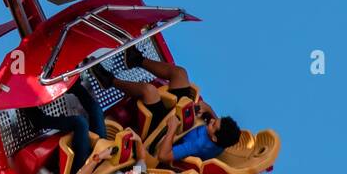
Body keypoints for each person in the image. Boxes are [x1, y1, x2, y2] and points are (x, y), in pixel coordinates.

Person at [92, 49, 239, 164]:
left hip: (163, 131)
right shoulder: (223, 139)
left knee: (149, 91)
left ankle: (109, 81)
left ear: (213, 138)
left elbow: (163, 156)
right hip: (183, 118)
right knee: (180, 73)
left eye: (213, 125)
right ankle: (136, 59)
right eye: (215, 120)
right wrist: (209, 110)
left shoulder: (197, 145)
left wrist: (172, 128)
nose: (212, 121)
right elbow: (217, 126)